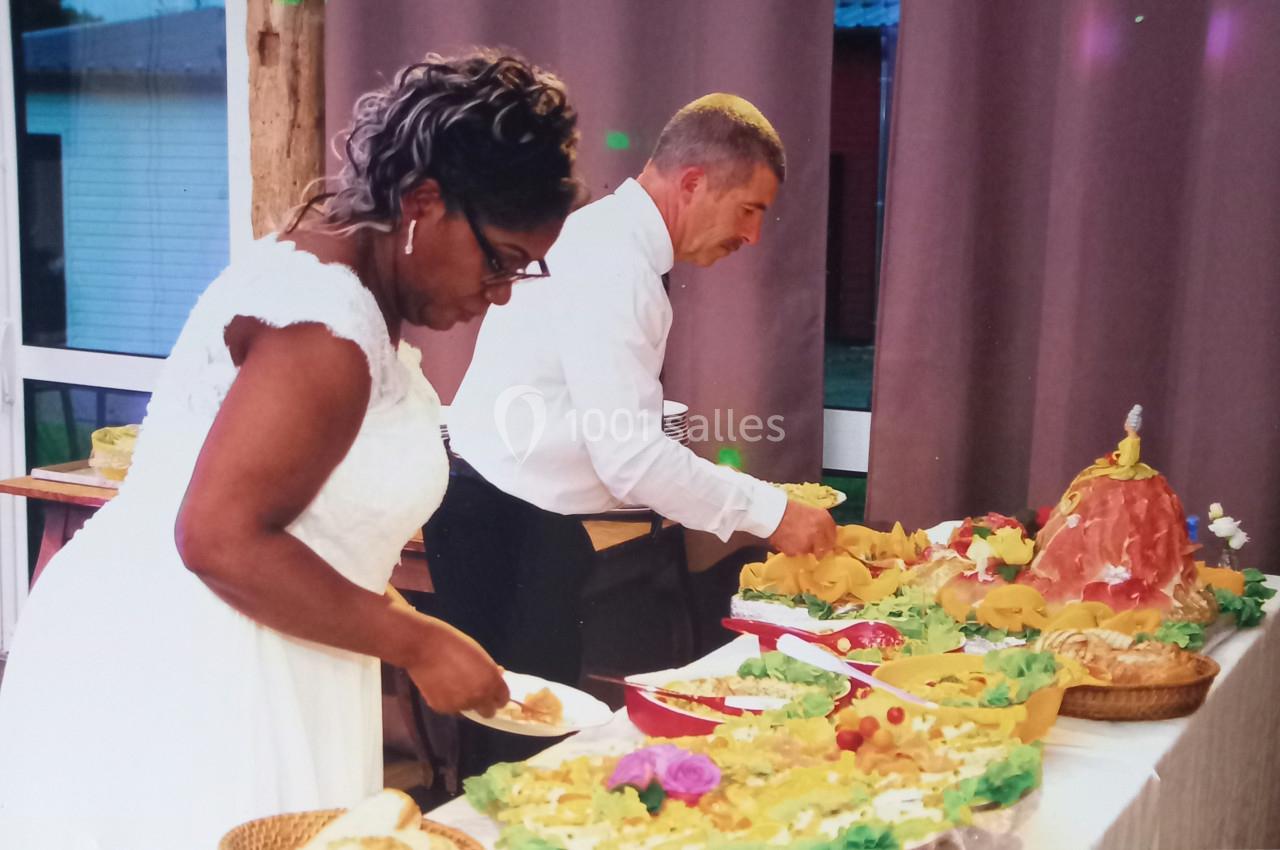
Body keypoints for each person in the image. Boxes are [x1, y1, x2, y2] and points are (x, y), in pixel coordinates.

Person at [0, 50, 581, 850]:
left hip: (264, 648)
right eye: (501, 259)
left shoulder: (353, 281)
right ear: (424, 202)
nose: (504, 291)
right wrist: (417, 642)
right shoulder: (324, 327)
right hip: (193, 671)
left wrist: (400, 617)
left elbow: (307, 519)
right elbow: (218, 538)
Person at [425, 93, 837, 770]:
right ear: (695, 182)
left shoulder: (611, 243)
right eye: (750, 211)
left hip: (518, 516)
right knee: (523, 763)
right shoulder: (616, 263)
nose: (754, 237)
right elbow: (630, 459)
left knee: (529, 750)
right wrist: (771, 513)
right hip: (501, 523)